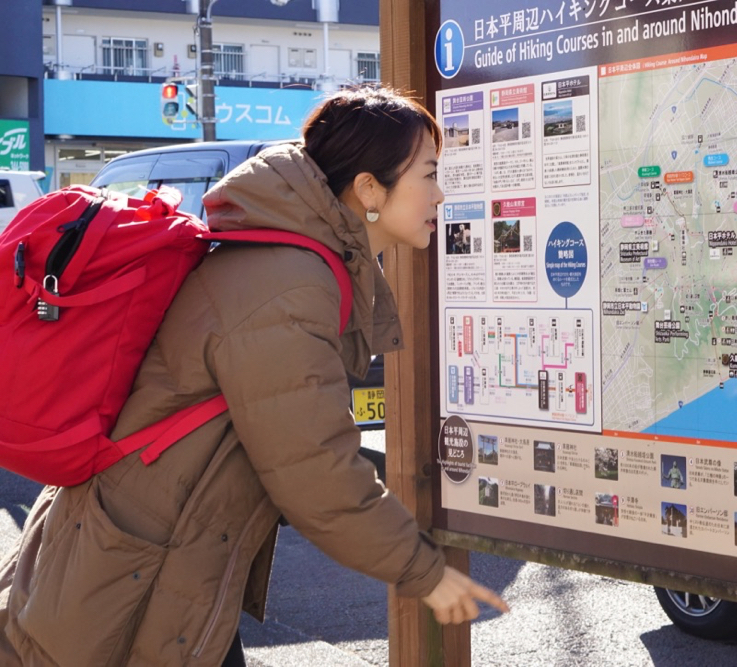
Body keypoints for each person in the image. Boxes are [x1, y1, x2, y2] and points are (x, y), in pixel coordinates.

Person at [0, 87, 508, 666]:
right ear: (369, 188)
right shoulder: (289, 286)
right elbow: (316, 470)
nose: (440, 194)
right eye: (428, 174)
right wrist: (425, 573)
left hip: (160, 558)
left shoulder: (299, 261)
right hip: (132, 571)